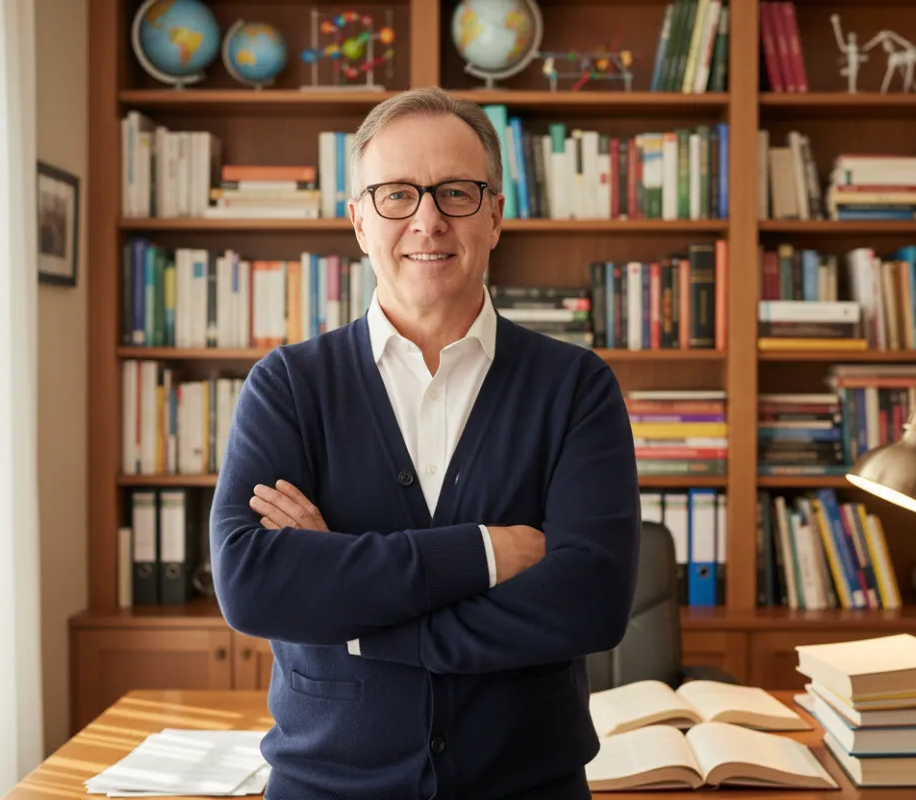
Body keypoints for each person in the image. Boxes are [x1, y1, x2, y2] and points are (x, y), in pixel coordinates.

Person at [209, 86, 641, 800]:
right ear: (359, 221)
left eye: (456, 193)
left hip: (528, 789)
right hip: (326, 788)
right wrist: (485, 554)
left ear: (495, 215)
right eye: (397, 195)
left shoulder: (575, 387)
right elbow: (252, 586)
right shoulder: (287, 386)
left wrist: (353, 609)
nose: (428, 220)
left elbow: (590, 602)